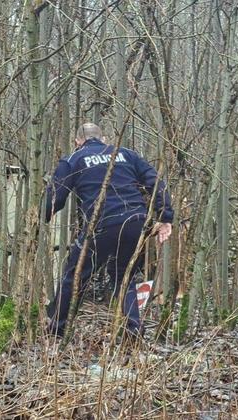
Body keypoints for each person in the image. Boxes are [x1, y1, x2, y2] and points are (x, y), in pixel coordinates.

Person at [44, 123, 173, 340]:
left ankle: (57, 329)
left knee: (74, 276)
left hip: (101, 224)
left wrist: (42, 217)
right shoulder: (126, 154)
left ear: (78, 142)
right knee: (124, 277)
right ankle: (133, 329)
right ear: (104, 139)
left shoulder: (73, 160)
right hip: (135, 223)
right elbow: (156, 182)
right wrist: (165, 217)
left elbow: (55, 197)